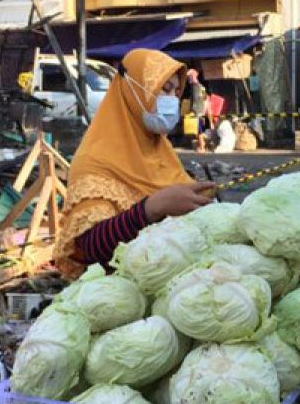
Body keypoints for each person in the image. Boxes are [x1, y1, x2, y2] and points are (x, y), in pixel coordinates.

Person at [53, 49, 215, 279]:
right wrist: (151, 208)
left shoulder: (161, 149)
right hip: (119, 293)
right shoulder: (95, 160)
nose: (171, 100)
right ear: (131, 90)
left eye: (176, 91)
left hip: (169, 281)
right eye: (164, 89)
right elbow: (90, 248)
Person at [187, 68, 208, 153]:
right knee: (198, 130)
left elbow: (204, 98)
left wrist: (202, 110)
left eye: (189, 77)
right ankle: (201, 146)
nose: (189, 79)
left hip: (198, 111)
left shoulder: (197, 86)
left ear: (193, 76)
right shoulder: (199, 86)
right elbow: (205, 98)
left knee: (199, 130)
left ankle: (202, 148)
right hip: (199, 111)